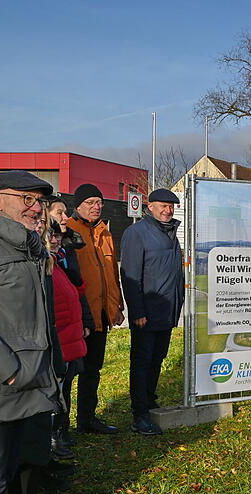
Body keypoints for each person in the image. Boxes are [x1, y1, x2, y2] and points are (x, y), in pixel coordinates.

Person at [0, 170, 57, 494]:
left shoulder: (30, 246)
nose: (36, 208)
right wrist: (6, 368)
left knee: (1, 479)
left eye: (39, 201)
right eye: (27, 199)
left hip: (25, 388)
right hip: (0, 387)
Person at [120, 189, 184, 435]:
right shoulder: (136, 233)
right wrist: (137, 310)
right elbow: (130, 276)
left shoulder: (170, 233)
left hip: (166, 311)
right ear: (150, 206)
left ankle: (149, 399)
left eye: (171, 206)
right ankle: (140, 415)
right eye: (163, 206)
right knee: (142, 362)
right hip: (146, 313)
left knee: (157, 358)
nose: (168, 210)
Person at [66, 183, 124, 434]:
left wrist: (117, 306)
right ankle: (61, 428)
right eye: (90, 203)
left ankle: (87, 419)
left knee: (93, 370)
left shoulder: (106, 233)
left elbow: (112, 274)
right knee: (69, 373)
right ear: (77, 206)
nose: (96, 207)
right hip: (78, 315)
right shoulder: (68, 231)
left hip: (101, 314)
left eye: (99, 202)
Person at [47, 196, 93, 446]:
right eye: (60, 213)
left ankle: (63, 432)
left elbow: (75, 291)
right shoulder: (44, 257)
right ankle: (56, 437)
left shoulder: (65, 251)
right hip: (58, 338)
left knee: (66, 386)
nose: (66, 219)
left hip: (71, 336)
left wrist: (85, 319)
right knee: (56, 391)